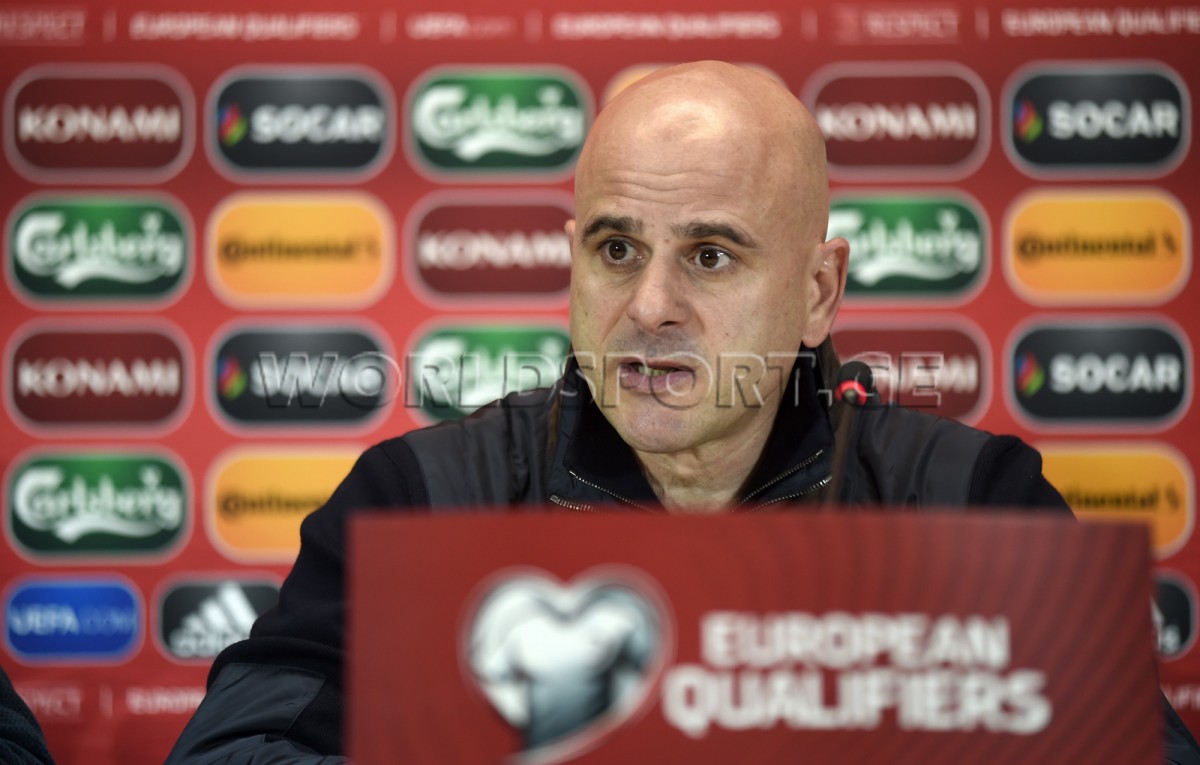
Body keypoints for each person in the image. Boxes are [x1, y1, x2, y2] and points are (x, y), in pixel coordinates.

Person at [165, 61, 1200, 763]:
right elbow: (233, 750)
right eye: (616, 249)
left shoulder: (973, 504)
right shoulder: (421, 501)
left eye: (709, 255)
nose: (650, 306)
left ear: (819, 292)